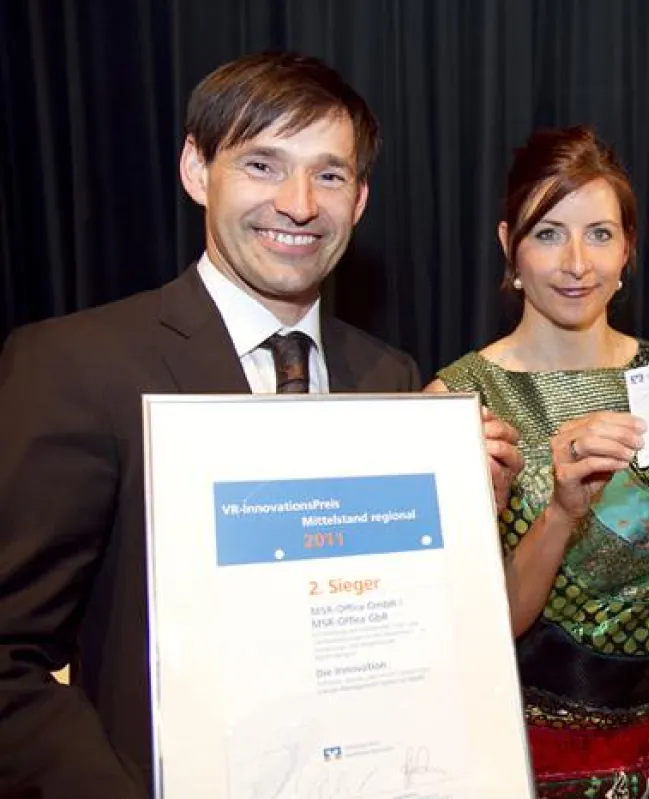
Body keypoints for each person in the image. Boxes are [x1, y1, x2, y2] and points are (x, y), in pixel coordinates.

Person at [0, 51, 521, 798]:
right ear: (196, 170)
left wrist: (462, 530)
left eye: (330, 174)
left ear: (361, 198)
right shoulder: (75, 366)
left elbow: (404, 633)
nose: (300, 203)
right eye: (264, 165)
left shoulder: (393, 380)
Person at [429, 126, 649, 798]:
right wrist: (558, 512)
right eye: (549, 233)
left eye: (601, 234)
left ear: (628, 248)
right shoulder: (456, 401)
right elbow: (474, 624)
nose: (577, 261)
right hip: (521, 752)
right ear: (508, 246)